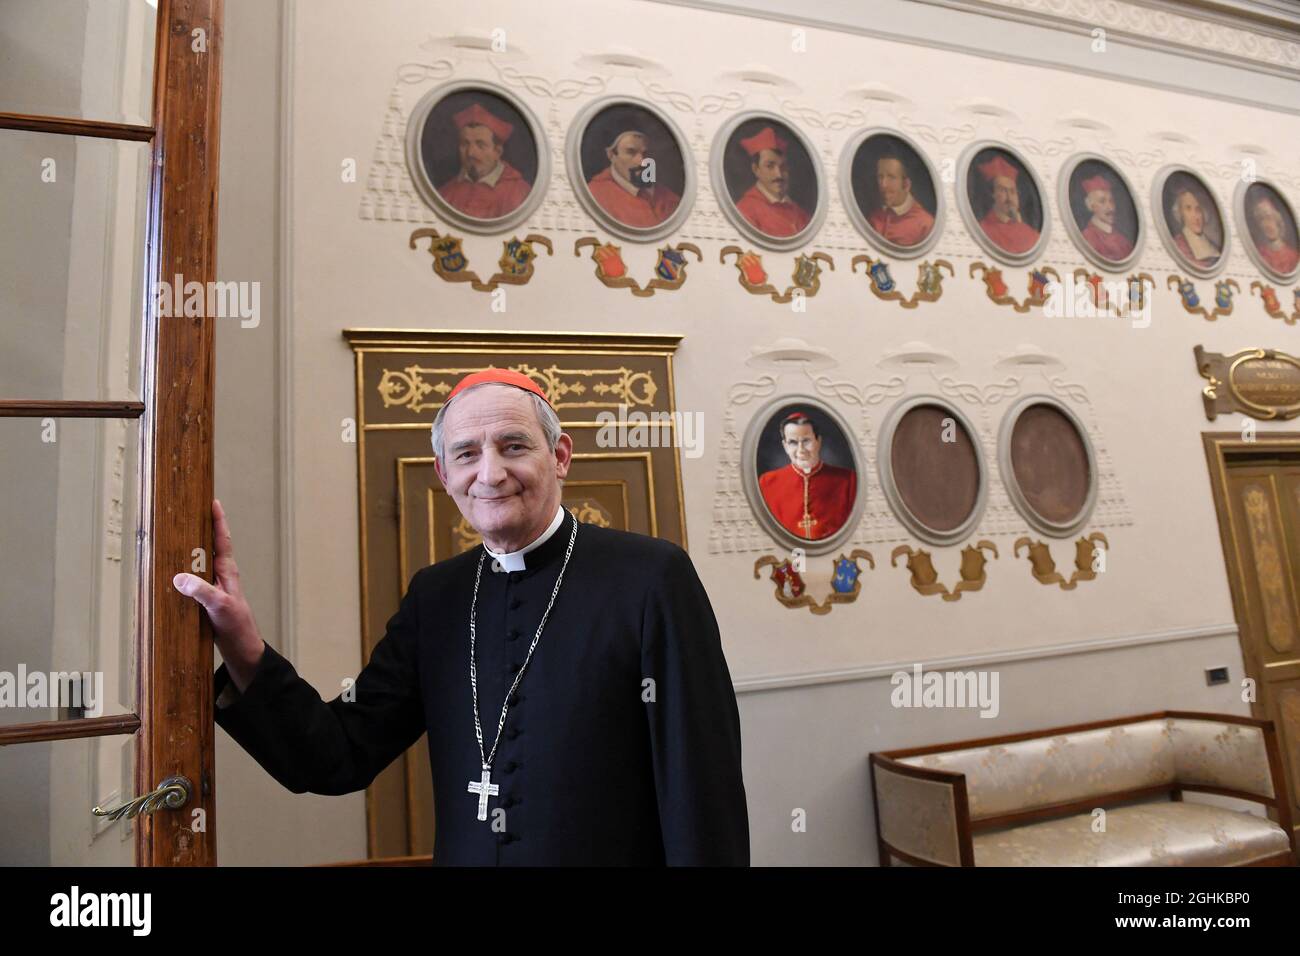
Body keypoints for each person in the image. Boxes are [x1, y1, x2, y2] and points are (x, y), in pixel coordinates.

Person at [175, 368, 749, 866]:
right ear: (443, 472)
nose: (491, 473)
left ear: (561, 456)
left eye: (514, 446)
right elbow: (338, 756)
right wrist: (244, 646)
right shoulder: (437, 596)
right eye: (467, 453)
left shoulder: (651, 578)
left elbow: (700, 791)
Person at [758, 411, 856, 541]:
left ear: (818, 442)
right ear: (785, 446)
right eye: (793, 442)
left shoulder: (848, 480)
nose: (801, 450)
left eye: (806, 441)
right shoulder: (767, 483)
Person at [435, 102, 532, 219]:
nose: (470, 153)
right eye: (465, 144)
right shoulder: (446, 193)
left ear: (497, 151)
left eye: (480, 145)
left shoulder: (520, 192)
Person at [585, 129, 681, 228]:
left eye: (645, 154)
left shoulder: (670, 198)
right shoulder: (595, 194)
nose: (641, 162)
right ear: (611, 155)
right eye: (631, 152)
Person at [733, 126, 811, 238]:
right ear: (756, 169)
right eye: (770, 166)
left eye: (783, 167)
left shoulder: (800, 213)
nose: (778, 174)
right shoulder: (745, 210)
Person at [975, 154, 1040, 254]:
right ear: (992, 194)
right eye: (1003, 190)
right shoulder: (983, 229)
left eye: (1013, 191)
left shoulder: (1031, 235)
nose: (1009, 197)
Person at [866, 152, 934, 247]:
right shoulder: (874, 217)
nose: (883, 184)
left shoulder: (925, 224)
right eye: (880, 177)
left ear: (906, 184)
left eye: (891, 177)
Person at [1078, 173, 1134, 262]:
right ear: (1092, 206)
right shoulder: (1088, 236)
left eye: (1111, 201)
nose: (1110, 207)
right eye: (1102, 201)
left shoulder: (1123, 240)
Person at [1168, 187, 1221, 267]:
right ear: (1180, 213)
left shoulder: (1213, 246)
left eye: (1198, 209)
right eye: (1188, 209)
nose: (1195, 216)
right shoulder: (1179, 245)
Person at [1250, 195, 1299, 276]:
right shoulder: (1260, 254)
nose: (1267, 225)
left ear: (1278, 220)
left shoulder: (1293, 256)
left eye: (1269, 218)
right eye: (1262, 220)